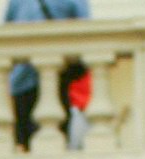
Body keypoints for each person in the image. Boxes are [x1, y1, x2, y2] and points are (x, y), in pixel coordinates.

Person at [5, 0, 91, 151]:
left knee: (27, 144)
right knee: (59, 141)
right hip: (55, 77)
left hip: (24, 80)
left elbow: (6, 30)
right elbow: (87, 29)